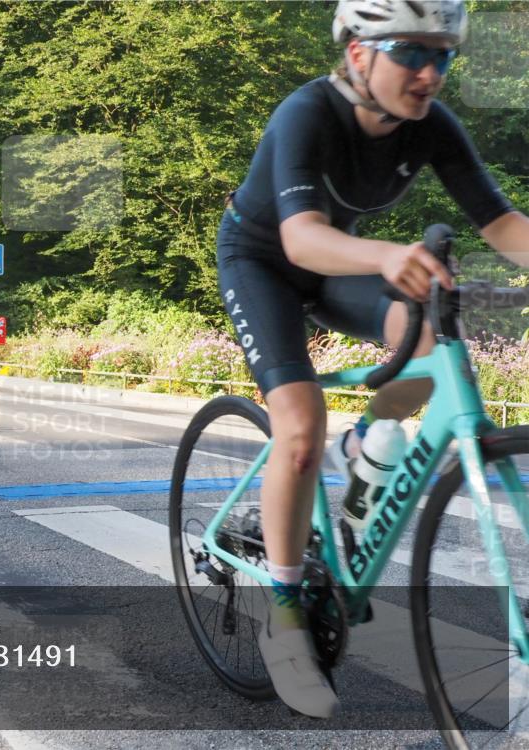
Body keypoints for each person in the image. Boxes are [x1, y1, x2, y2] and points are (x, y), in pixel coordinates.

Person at [216, 0, 529, 718]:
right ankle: (285, 613)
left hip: (336, 262)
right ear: (359, 54)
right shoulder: (307, 113)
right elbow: (298, 238)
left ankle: (369, 447)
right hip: (265, 257)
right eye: (412, 53)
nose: (430, 73)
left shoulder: (431, 128)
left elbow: (501, 219)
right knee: (297, 430)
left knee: (425, 346)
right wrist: (390, 255)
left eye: (443, 55)